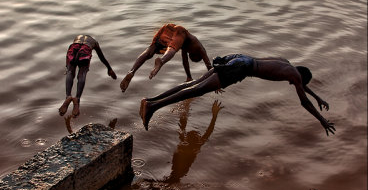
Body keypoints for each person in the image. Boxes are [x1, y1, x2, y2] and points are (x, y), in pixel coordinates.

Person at [139, 54, 335, 136]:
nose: (293, 84)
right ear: (300, 76)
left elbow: (301, 85)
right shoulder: (294, 75)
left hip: (238, 58)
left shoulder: (287, 65)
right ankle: (152, 107)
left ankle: (150, 101)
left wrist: (318, 98)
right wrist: (322, 120)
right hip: (241, 68)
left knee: (194, 83)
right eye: (296, 83)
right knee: (196, 90)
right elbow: (304, 102)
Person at [120, 23, 212, 92]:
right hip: (180, 30)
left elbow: (185, 61)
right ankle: (161, 61)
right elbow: (209, 66)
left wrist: (189, 77)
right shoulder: (200, 48)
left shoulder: (186, 47)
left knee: (150, 51)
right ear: (197, 55)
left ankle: (132, 71)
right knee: (172, 48)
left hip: (167, 29)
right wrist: (214, 82)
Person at [58, 35, 117, 118]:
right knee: (82, 74)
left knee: (70, 72)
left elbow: (69, 52)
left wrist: (67, 67)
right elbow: (101, 57)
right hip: (86, 49)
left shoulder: (77, 37)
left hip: (74, 47)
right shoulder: (94, 42)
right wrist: (109, 68)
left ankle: (68, 96)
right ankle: (77, 99)